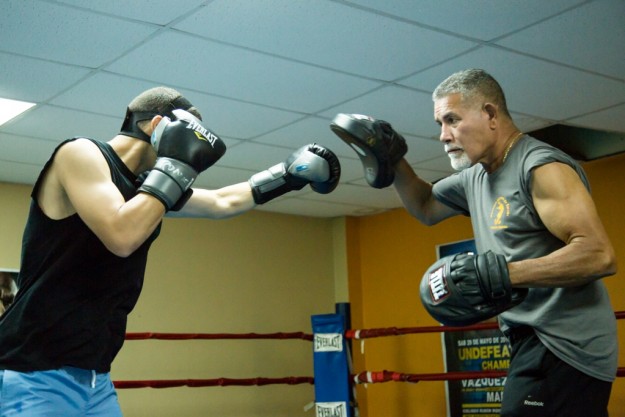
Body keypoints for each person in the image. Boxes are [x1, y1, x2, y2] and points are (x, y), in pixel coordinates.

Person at [0, 86, 341, 417]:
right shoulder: (80, 153)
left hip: (95, 379)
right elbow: (122, 236)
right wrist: (176, 166)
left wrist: (287, 175)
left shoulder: (146, 188)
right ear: (156, 124)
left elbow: (222, 202)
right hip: (32, 372)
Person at [331, 69, 617, 417]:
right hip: (530, 340)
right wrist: (392, 159)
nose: (443, 135)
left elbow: (598, 254)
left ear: (491, 115)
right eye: (440, 123)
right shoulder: (476, 178)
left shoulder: (540, 167)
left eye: (452, 119)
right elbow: (424, 206)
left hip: (566, 343)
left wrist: (503, 274)